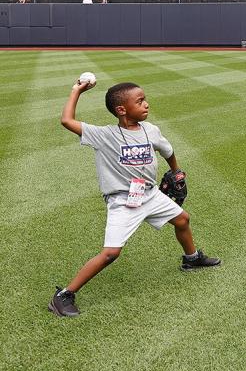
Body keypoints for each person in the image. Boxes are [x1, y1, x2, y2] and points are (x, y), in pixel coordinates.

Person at [49, 80, 221, 317]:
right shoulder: (105, 135)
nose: (146, 104)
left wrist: (176, 171)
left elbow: (167, 150)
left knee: (182, 219)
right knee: (111, 253)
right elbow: (66, 121)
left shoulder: (150, 129)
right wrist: (76, 90)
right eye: (139, 101)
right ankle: (64, 295)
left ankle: (191, 259)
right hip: (122, 201)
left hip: (149, 194)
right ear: (121, 109)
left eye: (144, 99)